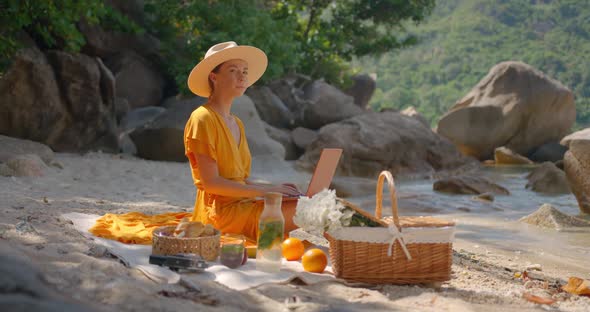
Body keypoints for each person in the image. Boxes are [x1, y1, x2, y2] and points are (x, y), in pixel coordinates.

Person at [184, 41, 300, 243]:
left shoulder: (237, 123)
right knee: (313, 213)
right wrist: (264, 191)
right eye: (233, 70)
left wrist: (275, 188)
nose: (242, 76)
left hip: (245, 205)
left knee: (314, 206)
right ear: (214, 77)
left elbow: (237, 179)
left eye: (245, 71)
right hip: (221, 215)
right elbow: (211, 183)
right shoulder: (202, 118)